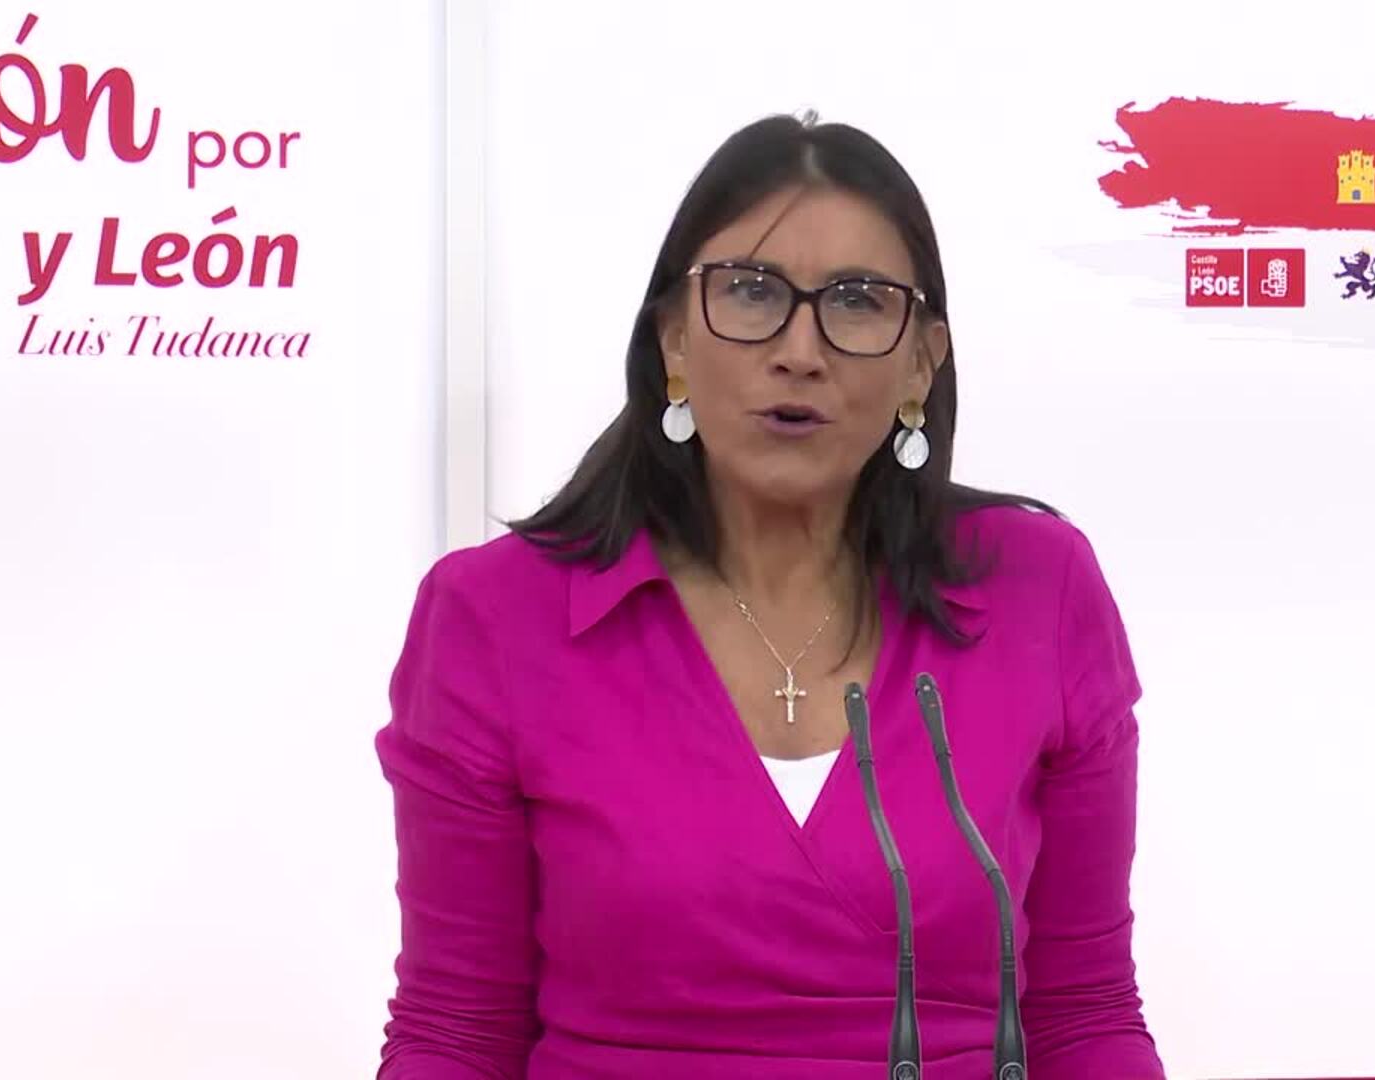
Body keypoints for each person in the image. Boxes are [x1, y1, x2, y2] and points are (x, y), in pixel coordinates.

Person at [374, 111, 1165, 1079]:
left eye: (859, 302)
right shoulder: (496, 617)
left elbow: (1086, 1015)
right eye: (750, 292)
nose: (800, 349)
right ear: (672, 339)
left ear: (921, 363)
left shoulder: (1041, 590)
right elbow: (456, 1036)